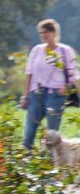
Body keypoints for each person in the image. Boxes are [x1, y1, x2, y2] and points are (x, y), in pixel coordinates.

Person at [21, 18, 77, 150]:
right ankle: (24, 160)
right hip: (36, 94)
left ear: (54, 33)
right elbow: (29, 73)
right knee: (29, 130)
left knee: (52, 133)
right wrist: (25, 96)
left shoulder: (64, 51)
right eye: (41, 32)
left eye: (46, 32)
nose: (43, 35)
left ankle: (49, 162)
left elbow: (73, 73)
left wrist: (67, 88)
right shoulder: (36, 50)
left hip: (55, 95)